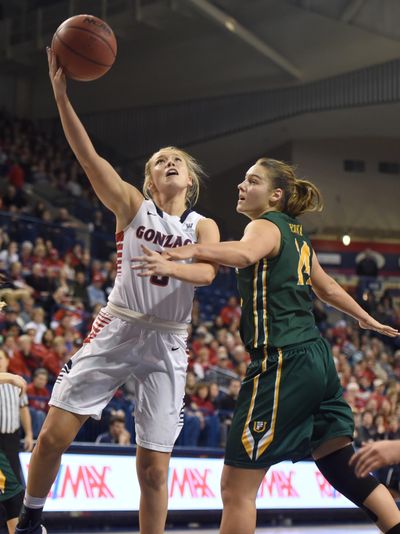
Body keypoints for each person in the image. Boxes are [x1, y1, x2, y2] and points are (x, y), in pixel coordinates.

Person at [133, 157, 400, 534]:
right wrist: (365, 317)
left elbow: (244, 254)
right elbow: (326, 288)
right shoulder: (297, 233)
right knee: (342, 465)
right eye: (242, 180)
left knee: (236, 488)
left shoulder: (264, 225)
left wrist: (192, 250)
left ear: (275, 195)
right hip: (317, 360)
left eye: (252, 181)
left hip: (281, 360)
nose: (242, 186)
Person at [15, 47, 219, 534]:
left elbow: (209, 274)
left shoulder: (202, 225)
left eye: (176, 161)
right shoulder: (132, 206)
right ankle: (29, 520)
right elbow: (87, 157)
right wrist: (63, 98)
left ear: (188, 180)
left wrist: (176, 258)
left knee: (153, 469)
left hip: (169, 339)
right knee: (50, 439)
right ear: (149, 180)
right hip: (119, 325)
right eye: (159, 161)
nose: (169, 162)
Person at [0, 364, 32, 534]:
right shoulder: (11, 379)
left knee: (11, 489)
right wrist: (11, 377)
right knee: (12, 491)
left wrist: (29, 434)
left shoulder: (14, 384)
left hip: (11, 438)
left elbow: (24, 408)